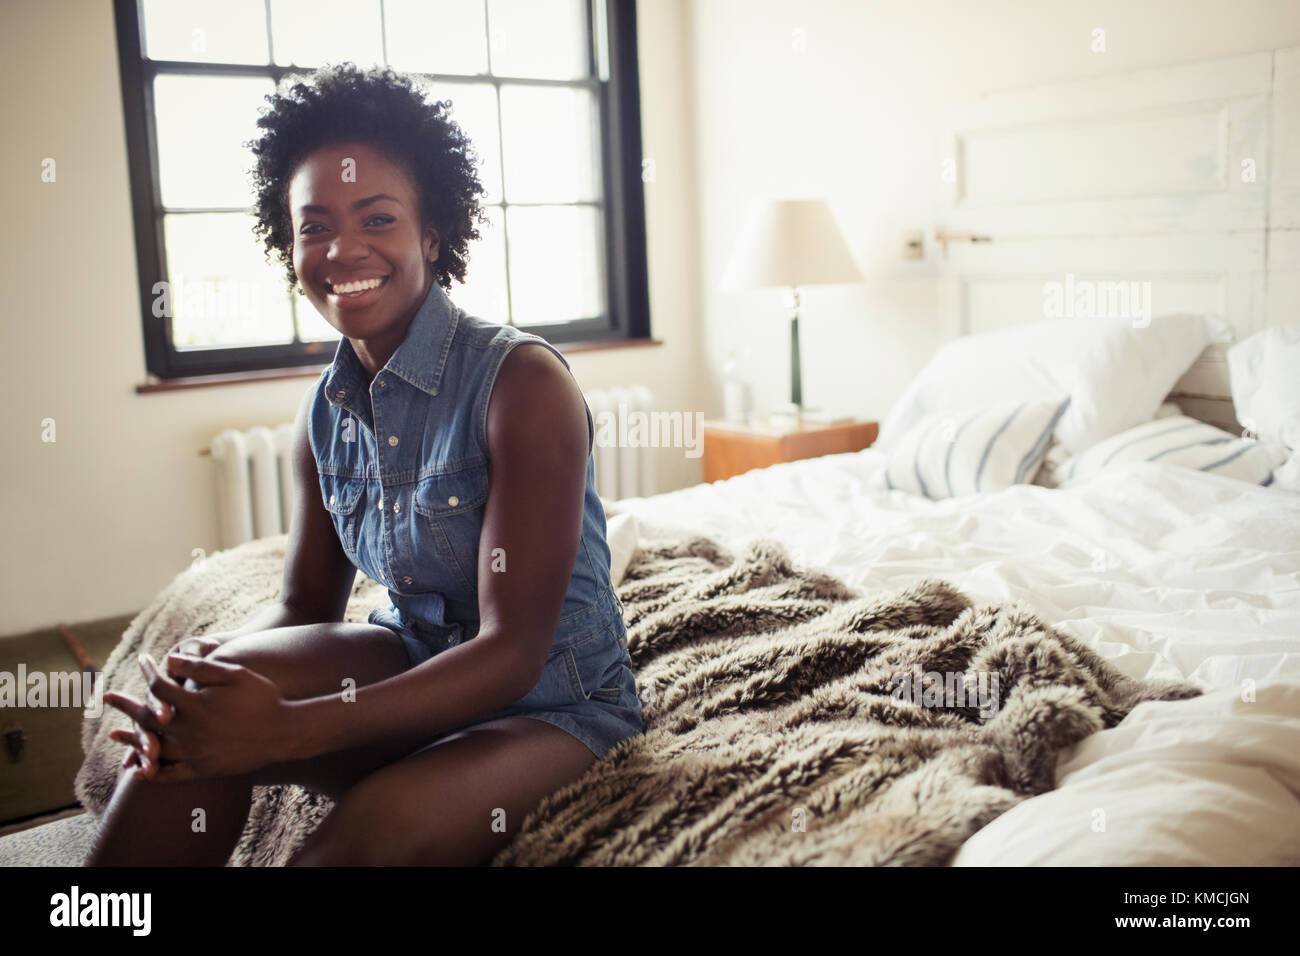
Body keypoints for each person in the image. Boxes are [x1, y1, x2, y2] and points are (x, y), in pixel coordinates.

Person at [85, 63, 642, 866]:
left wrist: (290, 728)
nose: (343, 248)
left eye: (377, 218)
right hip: (409, 666)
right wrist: (200, 667)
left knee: (358, 844)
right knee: (195, 714)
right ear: (289, 247)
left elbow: (512, 649)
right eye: (314, 227)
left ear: (431, 234)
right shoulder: (323, 414)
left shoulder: (522, 383)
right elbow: (303, 604)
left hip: (553, 704)